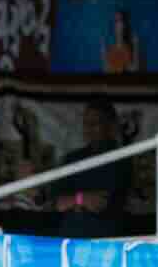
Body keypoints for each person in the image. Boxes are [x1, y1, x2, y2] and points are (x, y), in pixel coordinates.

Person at [54, 99, 132, 239]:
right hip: (70, 240)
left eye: (95, 123)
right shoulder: (73, 158)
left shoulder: (122, 159)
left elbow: (100, 203)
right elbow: (57, 203)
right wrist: (81, 199)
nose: (88, 129)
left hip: (105, 242)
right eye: (86, 123)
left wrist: (73, 200)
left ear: (110, 126)